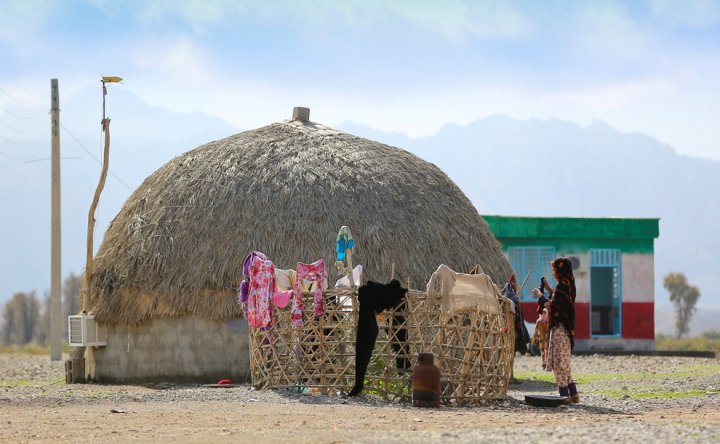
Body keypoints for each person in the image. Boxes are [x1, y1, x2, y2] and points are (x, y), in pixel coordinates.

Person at [544, 257, 579, 404]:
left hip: (559, 328)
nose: (553, 273)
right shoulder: (569, 285)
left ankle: (563, 395)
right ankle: (573, 393)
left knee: (559, 362)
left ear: (560, 270)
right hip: (566, 329)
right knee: (564, 362)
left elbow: (555, 305)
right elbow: (559, 301)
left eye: (554, 270)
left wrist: (541, 298)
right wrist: (548, 289)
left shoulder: (561, 287)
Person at [531, 280, 550, 368]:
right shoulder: (542, 303)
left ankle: (545, 362)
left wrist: (539, 294)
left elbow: (548, 305)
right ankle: (544, 362)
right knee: (543, 343)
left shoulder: (545, 304)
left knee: (544, 343)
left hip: (546, 324)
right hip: (543, 325)